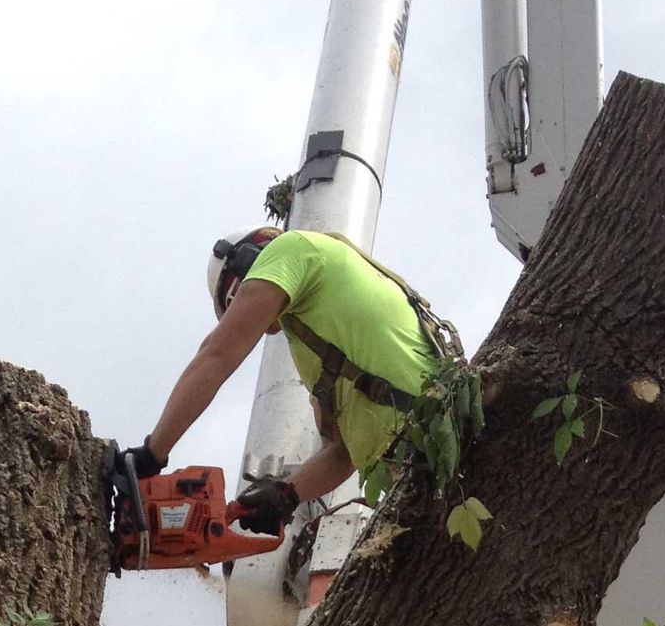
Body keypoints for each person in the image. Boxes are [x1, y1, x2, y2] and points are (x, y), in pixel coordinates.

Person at [124, 225, 443, 533]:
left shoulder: (290, 249)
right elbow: (341, 453)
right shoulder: (317, 333)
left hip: (436, 440)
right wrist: (285, 495)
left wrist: (150, 455)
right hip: (419, 471)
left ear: (247, 267)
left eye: (238, 299)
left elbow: (217, 354)